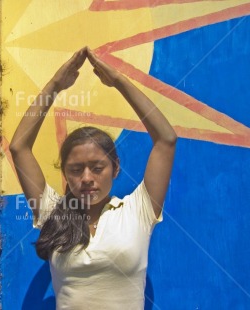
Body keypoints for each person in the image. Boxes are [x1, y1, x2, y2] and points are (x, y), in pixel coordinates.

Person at [10, 47, 177, 309]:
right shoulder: (54, 213)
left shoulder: (138, 210)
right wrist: (54, 85)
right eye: (76, 170)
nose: (86, 178)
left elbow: (166, 140)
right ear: (64, 173)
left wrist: (119, 82)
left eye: (97, 168)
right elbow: (19, 147)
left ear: (116, 168)